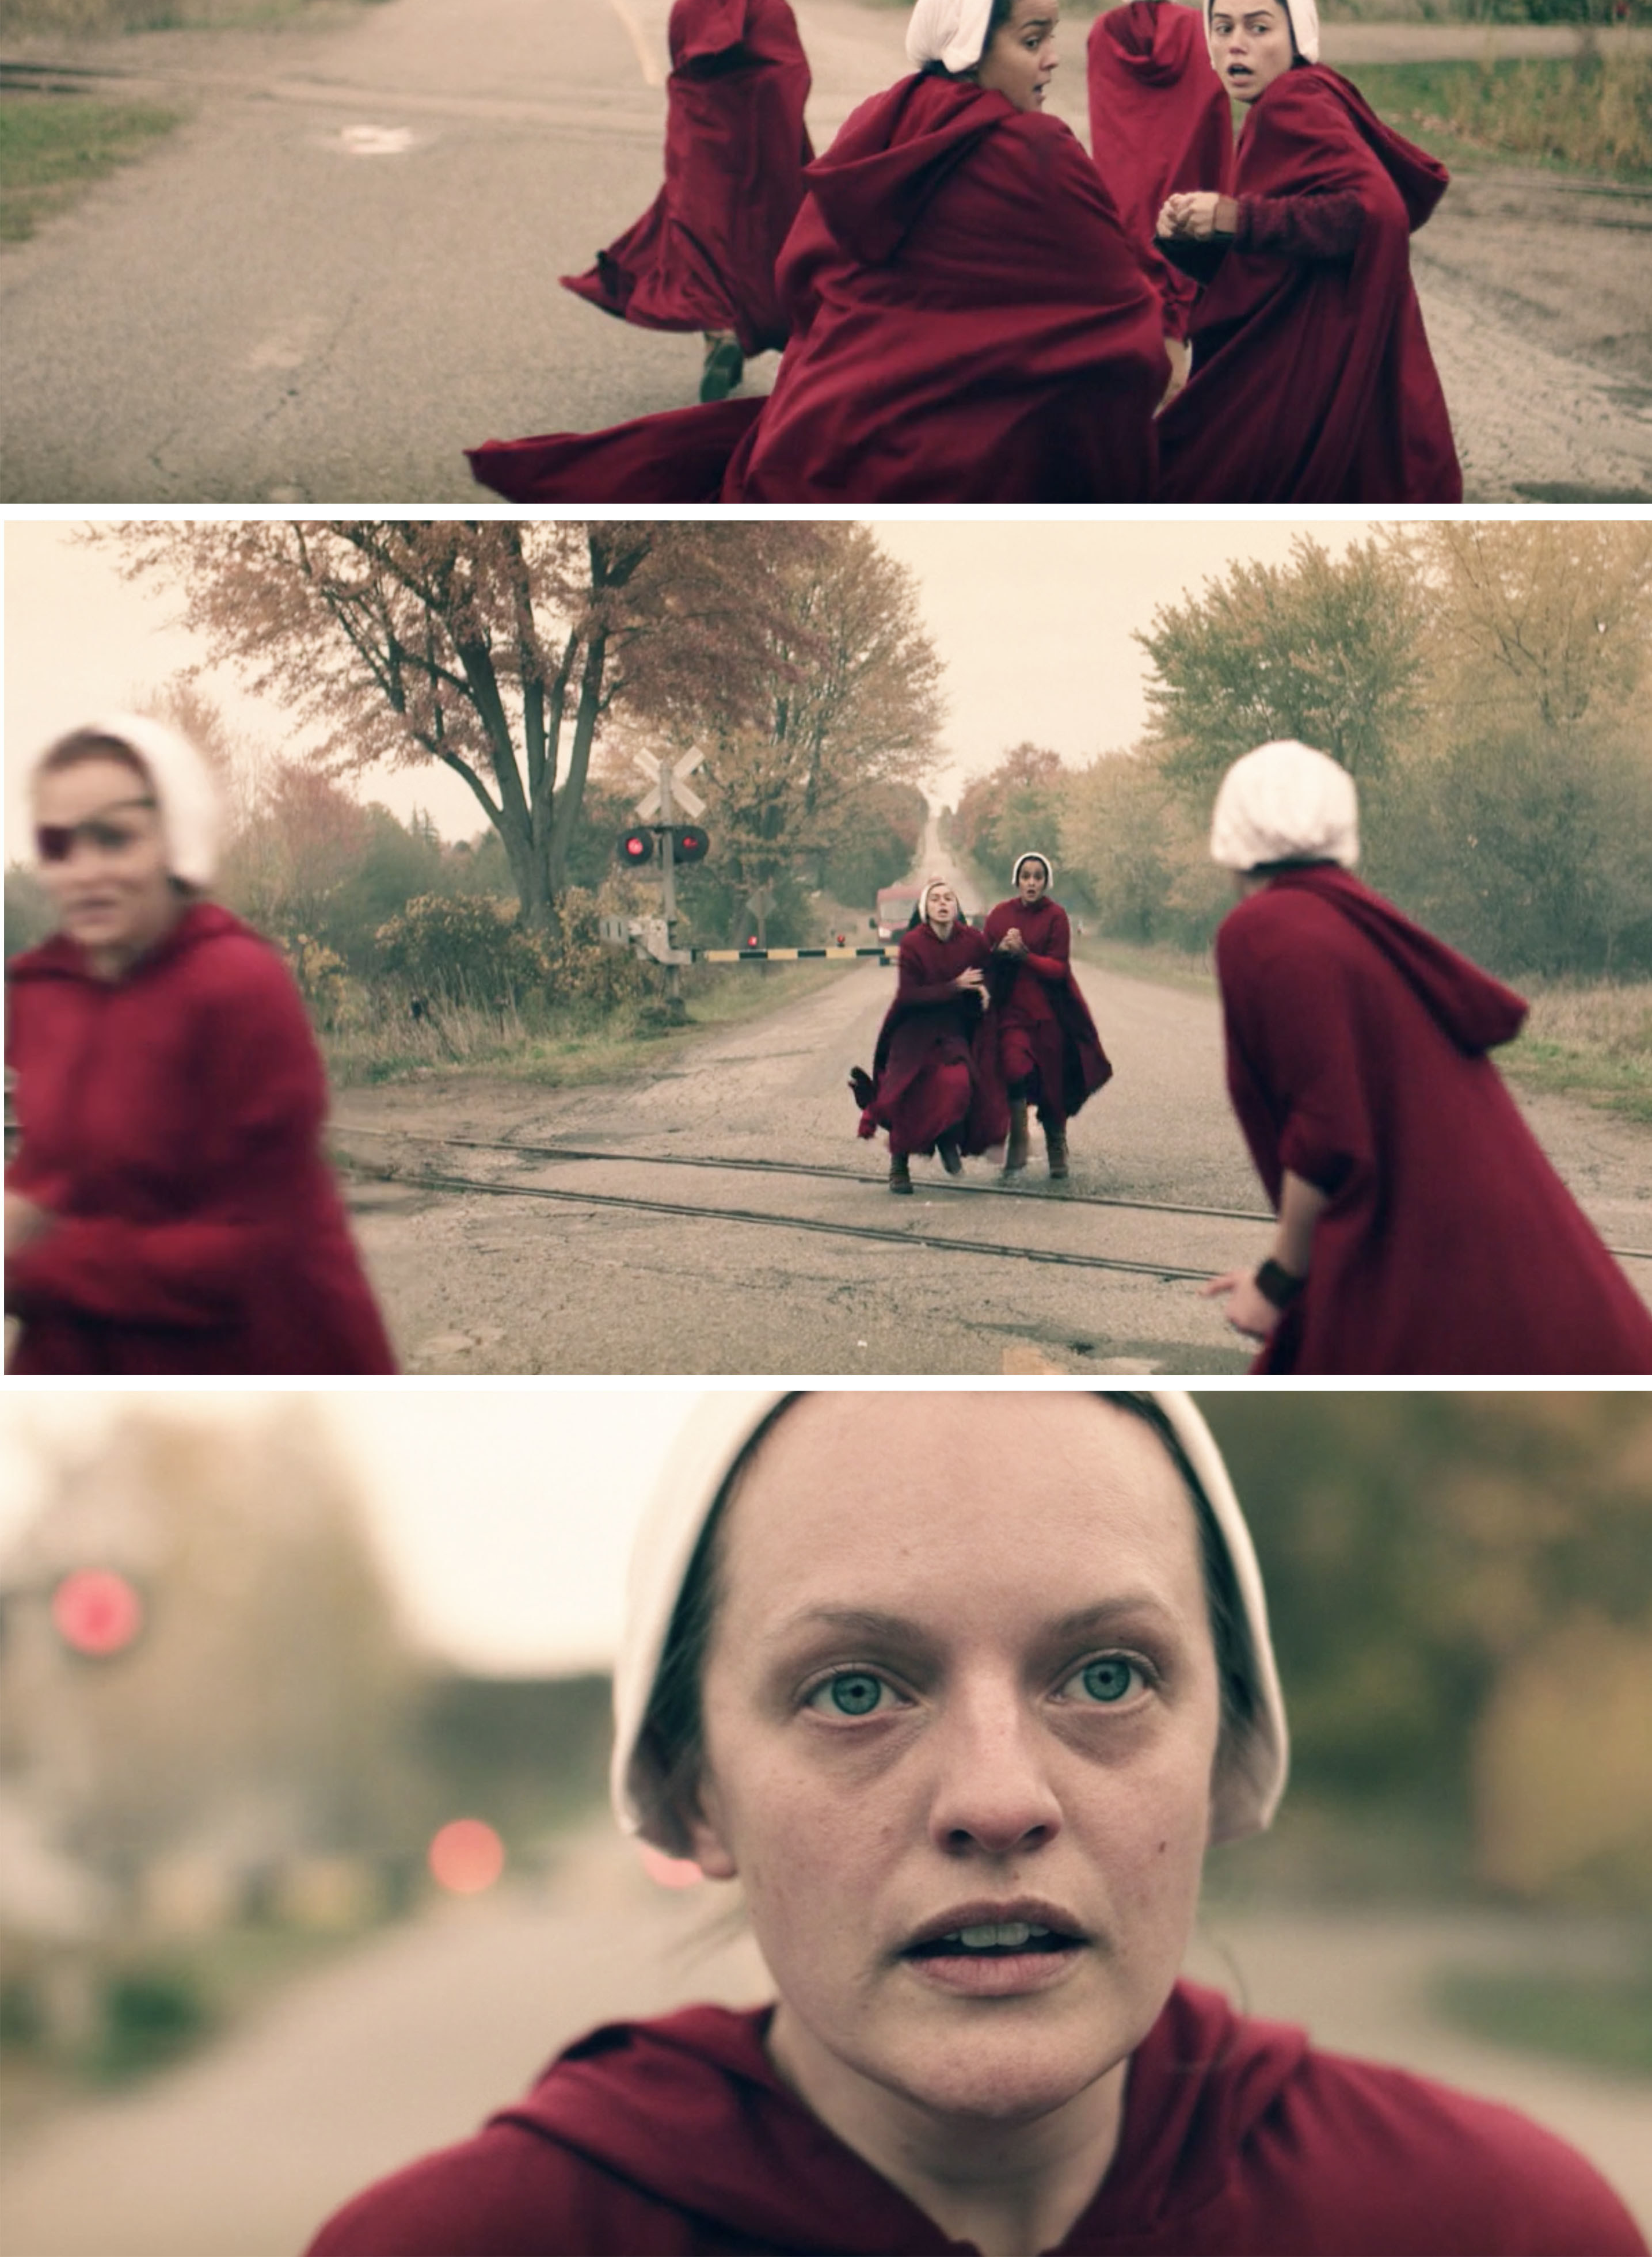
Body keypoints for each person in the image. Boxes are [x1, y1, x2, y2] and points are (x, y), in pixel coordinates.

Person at [304, 1385, 1649, 2257]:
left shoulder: (1495, 2226)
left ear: (1230, 1749)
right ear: (695, 1788)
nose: (999, 1799)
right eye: (853, 1689)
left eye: (1107, 1676)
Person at [468, 0, 1170, 507]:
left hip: (831, 418)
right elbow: (1116, 303)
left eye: (1052, 39)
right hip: (975, 443)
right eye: (1032, 40)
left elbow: (805, 266)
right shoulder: (1039, 151)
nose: (1051, 58)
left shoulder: (879, 123)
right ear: (966, 46)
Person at [1201, 741, 1652, 1376]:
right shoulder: (1350, 922)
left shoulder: (1269, 928)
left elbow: (1328, 1138)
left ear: (1230, 830)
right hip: (1502, 1281)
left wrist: (1278, 1280)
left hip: (1436, 1285)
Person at [5, 718, 397, 1375]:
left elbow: (246, 1253)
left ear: (176, 841)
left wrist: (33, 1263)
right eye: (58, 845)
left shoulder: (239, 986)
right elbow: (58, 1170)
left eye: (114, 838)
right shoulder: (45, 990)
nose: (84, 871)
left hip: (263, 1368)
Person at [1156, 0, 1463, 502]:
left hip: (1312, 361)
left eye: (1258, 28)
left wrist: (1235, 217)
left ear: (1298, 34)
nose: (1237, 46)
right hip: (1315, 347)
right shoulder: (1295, 99)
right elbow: (1274, 263)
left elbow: (1375, 213)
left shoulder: (1293, 101)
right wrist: (1191, 238)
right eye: (1222, 28)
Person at [559, 0, 813, 402]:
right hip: (759, 147)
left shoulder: (685, 9)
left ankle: (720, 336)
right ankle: (762, 336)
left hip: (701, 149)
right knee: (762, 241)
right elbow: (790, 79)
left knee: (703, 244)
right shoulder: (773, 10)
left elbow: (683, 67)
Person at [1086, 0, 1232, 357]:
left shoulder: (1103, 32)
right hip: (1185, 174)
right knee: (1183, 238)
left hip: (1125, 184)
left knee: (1133, 251)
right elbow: (1212, 110)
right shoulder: (1197, 29)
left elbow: (1106, 116)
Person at [848, 877, 1006, 1193]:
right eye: (935, 899)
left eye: (949, 898)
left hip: (952, 1030)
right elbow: (909, 995)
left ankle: (947, 1137)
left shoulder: (972, 940)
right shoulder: (913, 943)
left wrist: (1005, 955)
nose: (943, 903)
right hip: (912, 1028)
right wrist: (954, 987)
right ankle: (899, 1165)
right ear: (925, 909)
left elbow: (991, 971)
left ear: (956, 906)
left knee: (959, 1083)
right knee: (906, 1091)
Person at [981, 851, 1111, 1190]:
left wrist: (1026, 956)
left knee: (1053, 1086)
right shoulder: (999, 915)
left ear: (1045, 882)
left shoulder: (1056, 916)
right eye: (1026, 876)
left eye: (1038, 877)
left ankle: (1057, 1146)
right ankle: (1019, 1141)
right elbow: (985, 963)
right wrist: (1001, 952)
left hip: (1051, 1014)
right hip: (1011, 1013)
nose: (1032, 883)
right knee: (1014, 1070)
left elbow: (1058, 968)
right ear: (1017, 880)